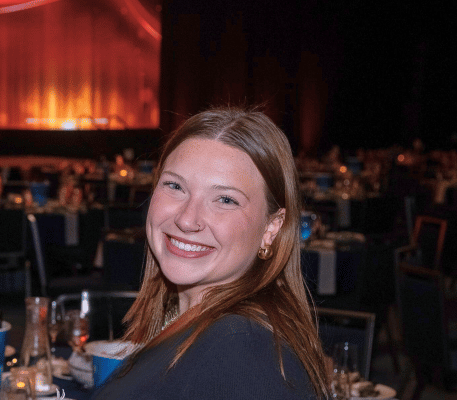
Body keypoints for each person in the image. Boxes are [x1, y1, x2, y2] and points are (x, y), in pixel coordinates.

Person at [92, 107, 329, 399]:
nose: (187, 219)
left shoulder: (241, 346)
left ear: (271, 227)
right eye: (175, 185)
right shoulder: (199, 323)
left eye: (225, 199)